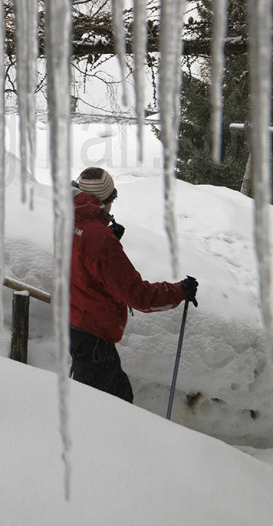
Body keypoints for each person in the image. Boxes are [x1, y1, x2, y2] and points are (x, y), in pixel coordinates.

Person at [69, 167, 198, 402]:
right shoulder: (100, 240)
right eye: (111, 199)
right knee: (116, 407)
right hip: (94, 336)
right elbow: (139, 296)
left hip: (76, 326)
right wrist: (179, 291)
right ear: (104, 201)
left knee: (90, 403)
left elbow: (78, 260)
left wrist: (104, 240)